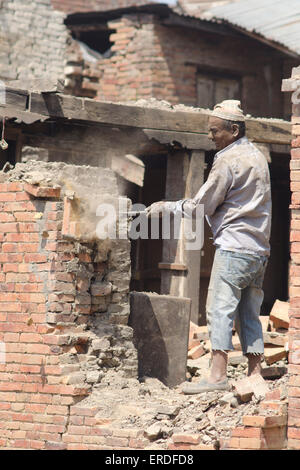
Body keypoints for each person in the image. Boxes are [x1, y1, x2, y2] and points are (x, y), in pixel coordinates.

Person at [146, 100, 272, 394]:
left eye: (215, 131)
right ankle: (256, 372)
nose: (211, 137)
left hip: (233, 248)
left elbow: (202, 205)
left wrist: (166, 206)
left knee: (219, 309)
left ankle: (216, 377)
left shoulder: (228, 160)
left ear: (234, 129)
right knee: (248, 312)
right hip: (258, 249)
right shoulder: (256, 155)